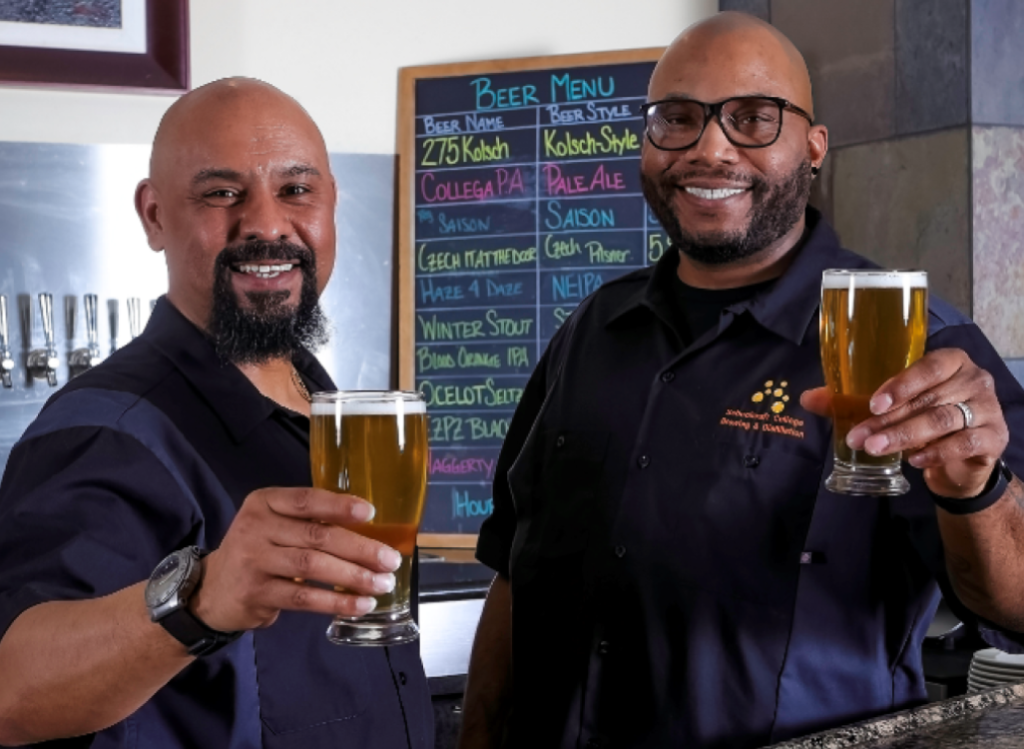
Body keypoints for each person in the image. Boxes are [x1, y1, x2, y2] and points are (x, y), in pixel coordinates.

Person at [459, 12, 1024, 749]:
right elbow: (515, 573)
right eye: (678, 119)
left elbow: (1012, 609)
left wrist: (975, 484)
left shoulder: (915, 341)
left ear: (814, 147)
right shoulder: (592, 329)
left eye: (754, 118)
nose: (709, 148)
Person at [0, 79, 432, 748]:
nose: (265, 223)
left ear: (331, 206)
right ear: (154, 215)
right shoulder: (105, 431)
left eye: (296, 190)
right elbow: (11, 692)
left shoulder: (325, 408)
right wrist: (200, 598)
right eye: (222, 193)